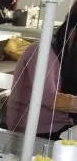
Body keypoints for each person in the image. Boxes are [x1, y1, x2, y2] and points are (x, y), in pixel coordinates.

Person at [7, 9, 77, 139]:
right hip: (35, 130)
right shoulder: (42, 51)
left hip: (62, 126)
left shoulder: (70, 55)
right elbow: (49, 98)